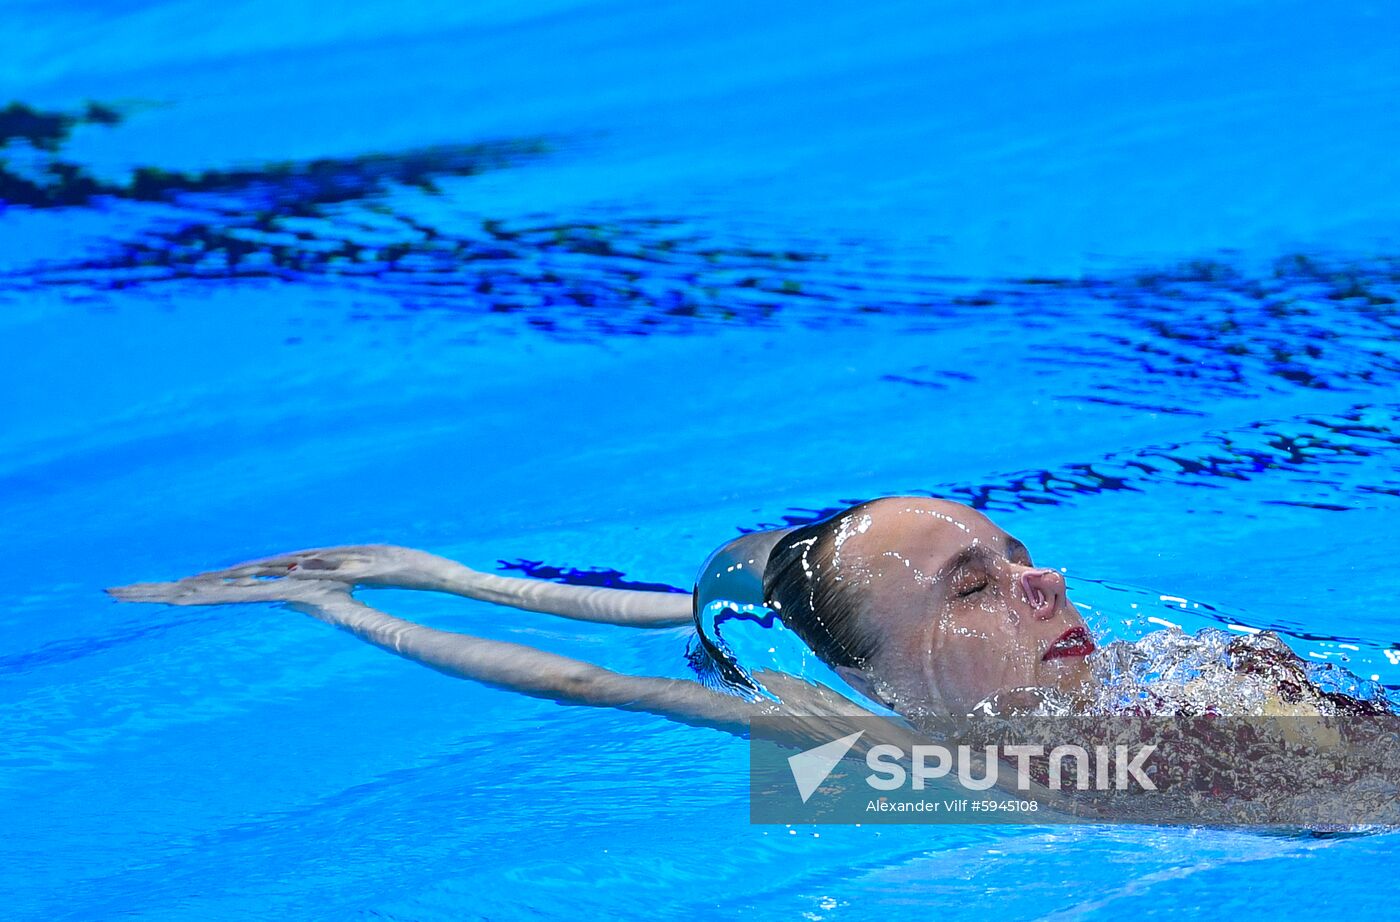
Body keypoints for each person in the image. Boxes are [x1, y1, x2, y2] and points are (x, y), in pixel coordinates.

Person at [108, 497, 1098, 731]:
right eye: (975, 585)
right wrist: (341, 608)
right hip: (792, 640)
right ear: (865, 680)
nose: (1045, 580)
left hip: (768, 596)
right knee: (701, 632)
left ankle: (440, 569)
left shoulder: (1134, 669)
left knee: (711, 611)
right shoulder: (873, 742)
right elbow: (586, 681)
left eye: (1017, 555)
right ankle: (427, 574)